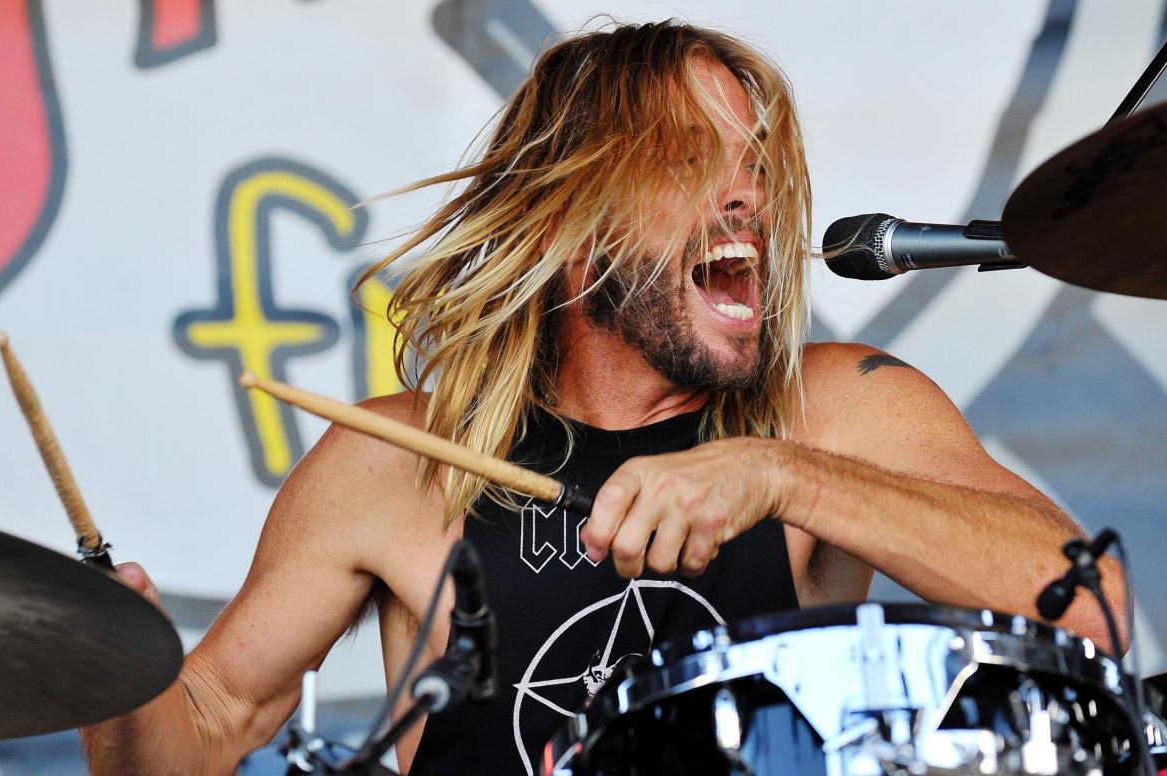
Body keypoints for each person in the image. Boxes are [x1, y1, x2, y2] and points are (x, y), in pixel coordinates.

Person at [81, 20, 1124, 776]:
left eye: (756, 165)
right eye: (686, 160)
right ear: (563, 225)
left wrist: (782, 474)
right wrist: (106, 668)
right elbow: (201, 732)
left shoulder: (832, 409)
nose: (746, 195)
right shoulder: (393, 460)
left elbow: (1089, 605)